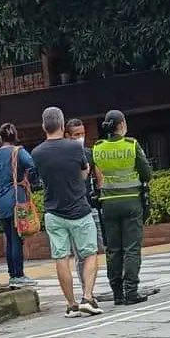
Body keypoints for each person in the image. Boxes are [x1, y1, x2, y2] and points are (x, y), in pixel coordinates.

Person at [31, 107, 100, 317]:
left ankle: (70, 305)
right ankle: (87, 297)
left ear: (44, 126)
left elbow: (37, 178)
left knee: (61, 257)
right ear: (62, 125)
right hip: (79, 209)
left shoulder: (37, 153)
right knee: (89, 254)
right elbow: (84, 173)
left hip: (53, 212)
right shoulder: (75, 148)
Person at [92, 109, 153, 305]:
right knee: (132, 248)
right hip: (131, 201)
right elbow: (146, 173)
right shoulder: (131, 145)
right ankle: (131, 291)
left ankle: (117, 293)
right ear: (121, 125)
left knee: (114, 249)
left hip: (108, 204)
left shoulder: (98, 147)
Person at [0, 122, 36, 288]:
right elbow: (32, 165)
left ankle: (12, 273)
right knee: (17, 238)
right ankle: (18, 274)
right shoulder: (18, 152)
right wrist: (27, 180)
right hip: (16, 199)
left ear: (0, 137)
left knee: (8, 237)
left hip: (1, 201)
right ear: (15, 136)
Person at [65, 117, 105, 280]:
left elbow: (99, 177)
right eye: (76, 134)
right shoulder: (64, 156)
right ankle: (86, 288)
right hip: (73, 208)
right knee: (81, 253)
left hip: (90, 204)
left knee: (97, 246)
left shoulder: (88, 153)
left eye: (82, 133)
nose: (80, 137)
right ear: (68, 136)